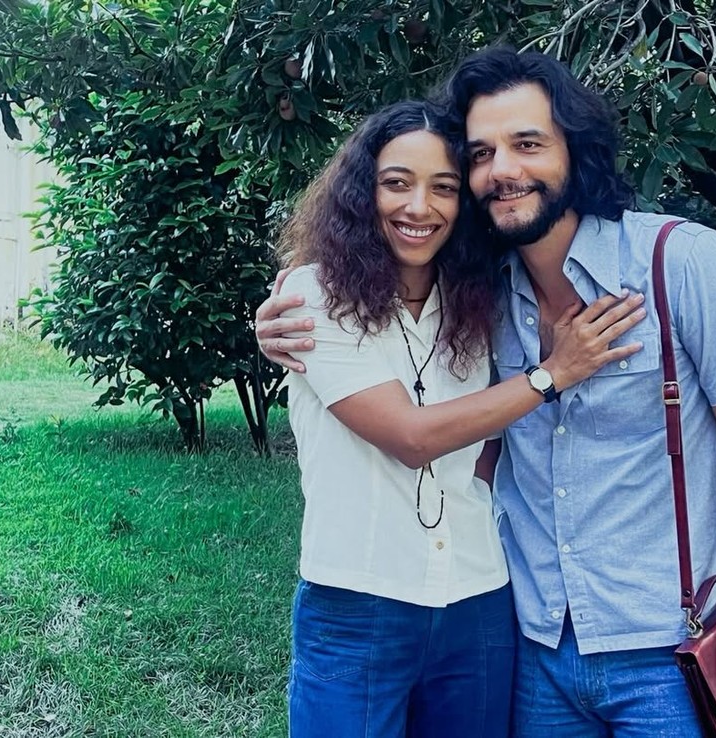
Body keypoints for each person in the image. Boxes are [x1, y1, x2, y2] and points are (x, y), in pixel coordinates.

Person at [259, 50, 716, 738]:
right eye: (482, 154)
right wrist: (275, 320)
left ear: (577, 148)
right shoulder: (488, 293)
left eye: (528, 144)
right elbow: (448, 439)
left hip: (664, 648)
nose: (503, 170)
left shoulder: (678, 262)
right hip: (536, 647)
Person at [273, 99, 646, 738]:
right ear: (363, 193)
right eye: (396, 183)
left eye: (444, 188)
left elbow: (489, 450)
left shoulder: (479, 297)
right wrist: (553, 374)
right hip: (358, 602)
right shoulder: (314, 297)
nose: (419, 208)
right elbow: (411, 438)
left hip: (477, 600)